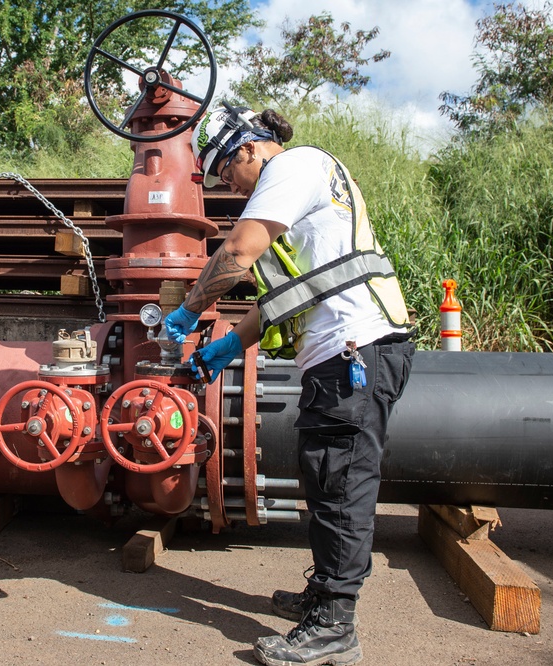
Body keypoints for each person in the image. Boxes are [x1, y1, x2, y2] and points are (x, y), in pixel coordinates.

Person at [164, 103, 416, 666]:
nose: (232, 188)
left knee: (341, 484)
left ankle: (334, 625)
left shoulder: (293, 167)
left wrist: (186, 310)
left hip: (355, 351)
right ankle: (323, 597)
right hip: (346, 352)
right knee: (326, 476)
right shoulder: (304, 191)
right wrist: (227, 347)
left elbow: (236, 251)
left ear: (250, 148)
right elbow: (284, 301)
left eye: (230, 173)